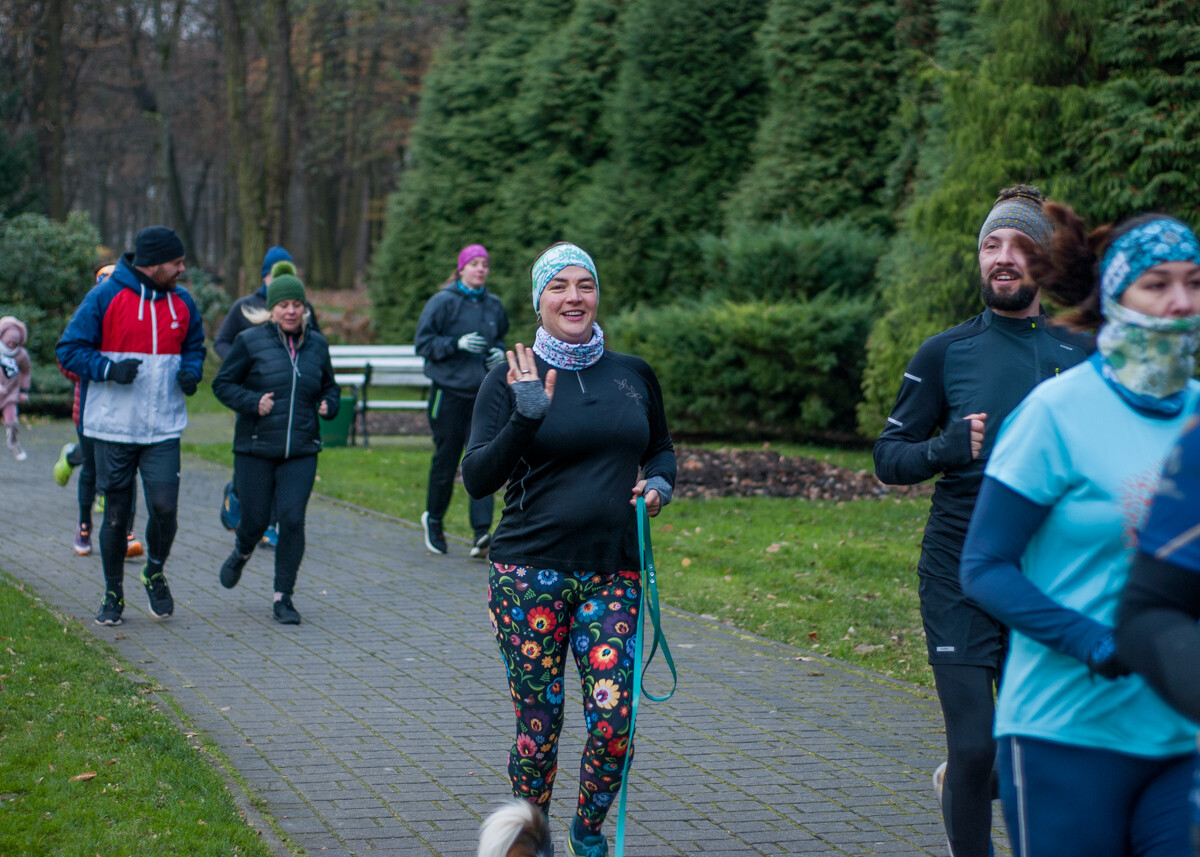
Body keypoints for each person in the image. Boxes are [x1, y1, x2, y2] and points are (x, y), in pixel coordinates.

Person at [959, 209, 1200, 856]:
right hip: (1066, 732)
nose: (1181, 302)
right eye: (1157, 284)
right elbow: (983, 566)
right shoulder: (1057, 414)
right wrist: (1095, 641)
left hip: (1182, 736)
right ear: (1115, 295)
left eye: (1195, 282)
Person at [873, 186, 1093, 857]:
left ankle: (965, 784)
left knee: (1039, 751)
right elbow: (889, 455)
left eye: (1020, 245)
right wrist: (943, 448)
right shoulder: (947, 352)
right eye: (991, 244)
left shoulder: (1082, 355)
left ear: (1044, 263)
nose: (1003, 257)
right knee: (974, 742)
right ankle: (966, 786)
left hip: (1047, 576)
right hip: (959, 571)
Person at [461, 242, 676, 857]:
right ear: (539, 300)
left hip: (615, 573)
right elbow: (477, 477)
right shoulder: (509, 377)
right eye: (559, 287)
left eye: (585, 285)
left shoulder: (632, 374)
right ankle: (532, 840)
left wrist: (659, 484)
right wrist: (525, 417)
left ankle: (587, 833)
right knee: (540, 727)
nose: (574, 297)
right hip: (529, 575)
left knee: (614, 727)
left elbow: (659, 447)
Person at [57, 226, 206, 626]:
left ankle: (153, 570)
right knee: (117, 516)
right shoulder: (106, 296)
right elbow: (68, 350)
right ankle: (112, 594)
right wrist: (108, 368)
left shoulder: (183, 302)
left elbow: (194, 346)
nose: (182, 268)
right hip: (113, 427)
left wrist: (191, 371)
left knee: (165, 509)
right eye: (176, 262)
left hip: (163, 427)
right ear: (153, 263)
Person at [212, 269, 340, 625]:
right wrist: (253, 402)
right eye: (283, 304)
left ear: (304, 308)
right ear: (272, 309)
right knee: (253, 522)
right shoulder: (250, 341)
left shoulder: (318, 345)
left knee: (292, 520)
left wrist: (331, 405)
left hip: (301, 448)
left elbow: (330, 387)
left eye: (297, 304)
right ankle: (242, 550)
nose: (291, 310)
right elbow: (222, 385)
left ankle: (283, 597)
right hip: (256, 448)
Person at [213, 246, 320, 549]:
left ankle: (271, 524)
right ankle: (237, 494)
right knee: (254, 463)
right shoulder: (244, 307)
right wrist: (240, 366)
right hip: (252, 396)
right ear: (264, 276)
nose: (290, 309)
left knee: (283, 464)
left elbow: (316, 344)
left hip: (291, 403)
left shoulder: (300, 309)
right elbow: (222, 341)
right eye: (276, 274)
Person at [415, 243, 509, 556]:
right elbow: (424, 343)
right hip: (448, 393)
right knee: (447, 458)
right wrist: (456, 344)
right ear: (461, 269)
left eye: (485, 263)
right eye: (475, 263)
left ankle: (481, 534)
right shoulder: (442, 302)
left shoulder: (493, 305)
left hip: (482, 394)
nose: (481, 268)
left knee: (481, 460)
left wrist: (498, 352)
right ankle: (435, 519)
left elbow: (499, 338)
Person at [55, 263, 142, 559]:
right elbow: (67, 359)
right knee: (91, 470)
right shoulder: (88, 316)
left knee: (127, 470)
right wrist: (94, 372)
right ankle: (84, 528)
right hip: (88, 410)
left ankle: (127, 532)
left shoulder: (133, 316)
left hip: (127, 409)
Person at [0, 315, 32, 461]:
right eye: (9, 342)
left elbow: (26, 372)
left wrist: (24, 390)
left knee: (12, 421)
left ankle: (13, 443)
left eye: (15, 342)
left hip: (10, 393)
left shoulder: (21, 355)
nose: (12, 345)